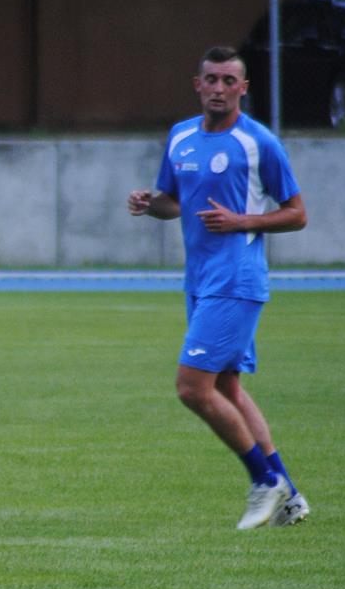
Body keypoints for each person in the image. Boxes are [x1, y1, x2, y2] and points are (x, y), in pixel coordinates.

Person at [128, 45, 310, 530]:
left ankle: (263, 481)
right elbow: (174, 204)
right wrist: (151, 204)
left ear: (243, 89)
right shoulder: (180, 136)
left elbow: (297, 213)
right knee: (226, 386)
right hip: (200, 280)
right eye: (212, 79)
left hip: (237, 279)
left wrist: (241, 220)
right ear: (197, 84)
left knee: (192, 387)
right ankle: (289, 495)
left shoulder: (259, 144)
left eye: (230, 81)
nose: (219, 89)